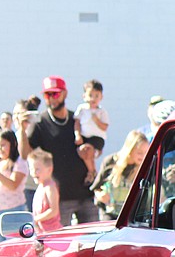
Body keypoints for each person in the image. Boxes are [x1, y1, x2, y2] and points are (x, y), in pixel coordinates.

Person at [15, 76, 96, 226]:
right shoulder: (40, 123)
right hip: (60, 198)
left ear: (65, 93)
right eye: (47, 94)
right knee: (62, 245)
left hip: (85, 194)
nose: (52, 98)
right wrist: (21, 129)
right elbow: (25, 154)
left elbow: (95, 145)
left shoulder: (76, 119)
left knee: (92, 244)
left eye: (55, 94)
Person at [90, 130, 149, 220]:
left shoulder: (146, 168)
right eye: (139, 153)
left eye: (146, 152)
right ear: (130, 149)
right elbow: (96, 188)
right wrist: (100, 196)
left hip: (133, 217)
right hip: (110, 215)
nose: (143, 156)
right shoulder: (111, 161)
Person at [74, 79, 110, 185]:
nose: (93, 99)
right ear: (84, 96)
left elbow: (104, 127)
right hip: (85, 137)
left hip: (97, 138)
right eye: (90, 95)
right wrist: (77, 135)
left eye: (96, 96)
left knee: (87, 149)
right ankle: (93, 172)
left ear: (101, 97)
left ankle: (91, 172)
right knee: (82, 151)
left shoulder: (101, 111)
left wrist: (97, 121)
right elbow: (77, 123)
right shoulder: (81, 109)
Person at [27, 149, 62, 234]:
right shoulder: (40, 187)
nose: (33, 172)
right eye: (31, 169)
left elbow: (54, 211)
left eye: (37, 169)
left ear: (49, 170)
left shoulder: (50, 187)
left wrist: (35, 219)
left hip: (52, 232)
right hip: (42, 232)